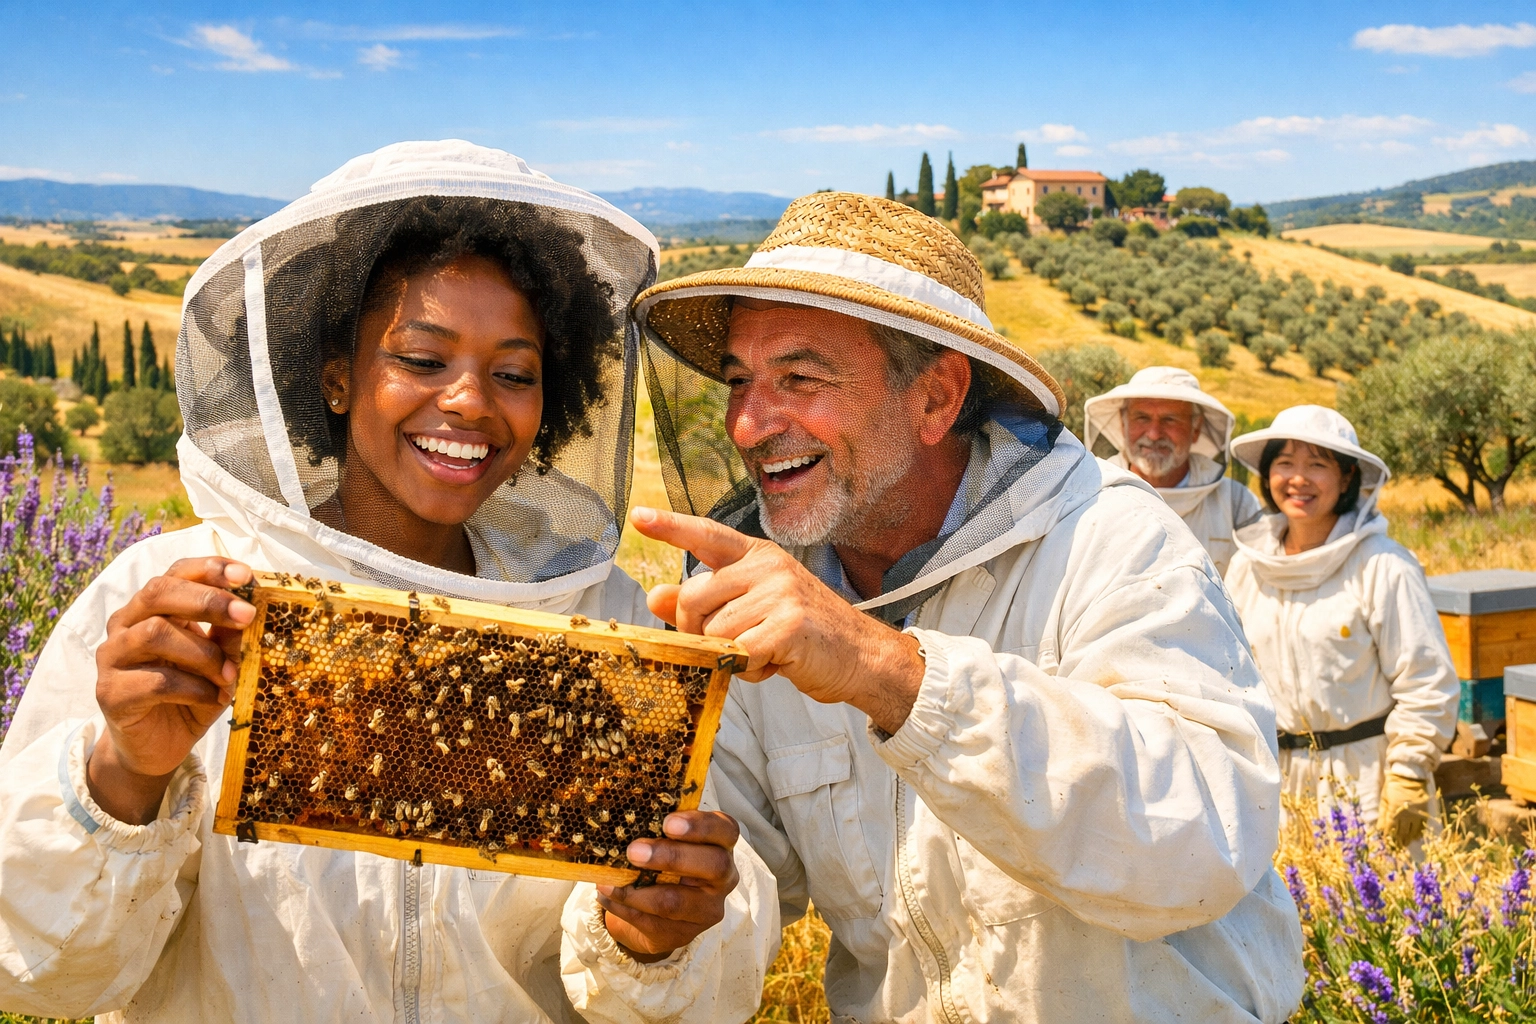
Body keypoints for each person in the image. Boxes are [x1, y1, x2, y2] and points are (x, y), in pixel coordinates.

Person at [0, 142, 776, 1023]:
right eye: (422, 358)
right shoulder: (167, 599)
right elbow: (36, 973)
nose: (470, 402)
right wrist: (123, 775)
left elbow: (707, 988)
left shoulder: (604, 618)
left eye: (515, 374)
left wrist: (659, 931)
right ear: (336, 376)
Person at [628, 192, 1304, 1023]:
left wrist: (888, 671)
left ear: (937, 398)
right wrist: (658, 926)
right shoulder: (760, 597)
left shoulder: (1113, 541)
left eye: (799, 378)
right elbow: (746, 881)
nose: (747, 423)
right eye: (739, 380)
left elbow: (1204, 844)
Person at [1225, 405, 1458, 843]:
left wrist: (1408, 772)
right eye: (1285, 463)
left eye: (1318, 464)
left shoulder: (1383, 566)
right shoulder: (1245, 569)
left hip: (1369, 778)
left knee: (1377, 908)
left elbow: (1426, 682)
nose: (1298, 478)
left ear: (1348, 478)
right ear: (1267, 474)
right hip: (1277, 786)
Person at [1083, 366, 1261, 575]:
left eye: (1170, 419)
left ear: (1195, 429)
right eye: (1142, 418)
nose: (1154, 434)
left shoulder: (1237, 503)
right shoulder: (1091, 493)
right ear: (1124, 425)